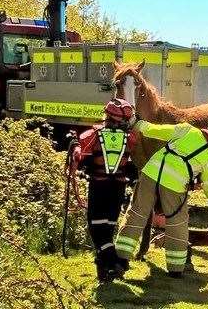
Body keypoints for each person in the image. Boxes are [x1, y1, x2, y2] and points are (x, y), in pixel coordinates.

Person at [115, 120, 208, 278]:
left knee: (137, 213)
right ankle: (175, 267)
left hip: (150, 172)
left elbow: (154, 129)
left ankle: (119, 259)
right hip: (174, 186)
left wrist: (137, 123)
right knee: (177, 222)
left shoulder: (186, 130)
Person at [70, 98, 137, 282]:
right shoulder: (130, 138)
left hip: (99, 187)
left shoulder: (93, 134)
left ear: (107, 115)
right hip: (118, 189)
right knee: (107, 228)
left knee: (95, 228)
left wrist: (75, 147)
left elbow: (79, 151)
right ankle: (106, 271)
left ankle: (115, 262)